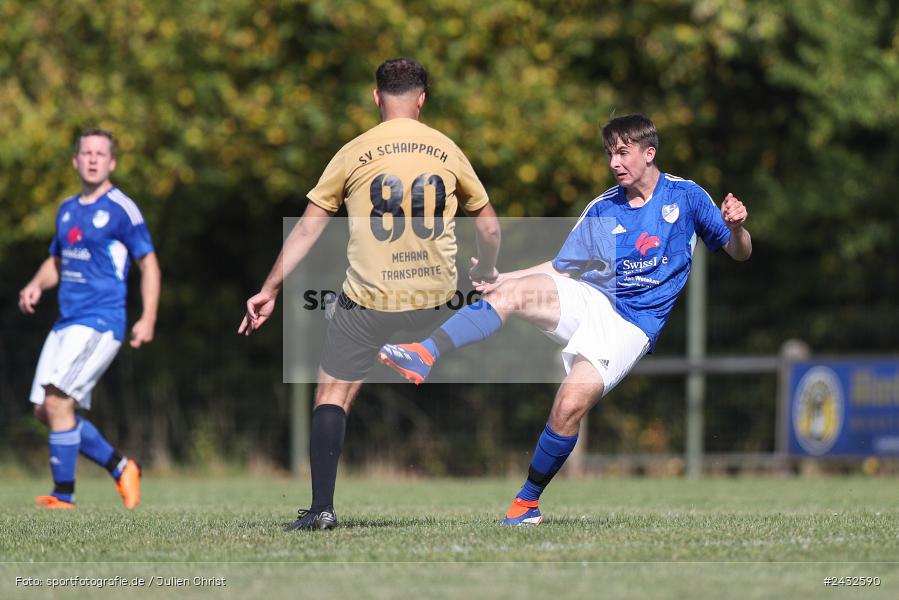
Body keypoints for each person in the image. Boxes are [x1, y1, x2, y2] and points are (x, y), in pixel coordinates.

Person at [379, 114, 752, 525]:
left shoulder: (686, 196)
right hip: (591, 298)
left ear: (649, 154)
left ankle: (526, 504)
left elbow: (740, 253)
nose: (614, 161)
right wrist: (504, 279)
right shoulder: (603, 208)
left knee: (568, 407)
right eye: (610, 153)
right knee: (512, 295)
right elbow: (562, 267)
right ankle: (424, 353)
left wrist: (737, 229)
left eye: (623, 152)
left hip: (631, 326)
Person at [239, 57, 501, 531]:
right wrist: (489, 266)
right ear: (422, 99)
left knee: (331, 392)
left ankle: (321, 509)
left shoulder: (353, 152)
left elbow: (305, 233)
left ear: (376, 97)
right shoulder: (447, 150)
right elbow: (490, 227)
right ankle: (413, 348)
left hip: (372, 301)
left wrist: (269, 289)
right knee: (453, 307)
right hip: (436, 299)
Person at [19, 127, 161, 509]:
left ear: (111, 162)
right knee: (44, 410)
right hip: (66, 321)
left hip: (100, 320)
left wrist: (147, 317)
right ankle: (121, 467)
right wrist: (36, 284)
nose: (94, 158)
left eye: (101, 153)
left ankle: (63, 495)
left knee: (57, 400)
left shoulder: (121, 209)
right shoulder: (67, 209)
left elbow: (148, 264)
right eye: (87, 152)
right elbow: (58, 262)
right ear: (76, 160)